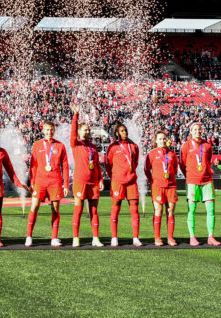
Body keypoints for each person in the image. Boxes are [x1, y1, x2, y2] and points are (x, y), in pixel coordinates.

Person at [25, 120, 69, 247]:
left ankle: (54, 238)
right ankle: (29, 236)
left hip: (55, 181)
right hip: (40, 181)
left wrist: (66, 184)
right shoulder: (37, 145)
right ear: (43, 130)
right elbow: (33, 166)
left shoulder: (60, 146)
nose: (49, 132)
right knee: (34, 207)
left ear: (54, 130)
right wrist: (32, 182)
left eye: (51, 129)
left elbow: (65, 166)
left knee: (55, 209)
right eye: (47, 130)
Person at [180, 122, 221, 247]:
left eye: (199, 129)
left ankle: (211, 236)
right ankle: (192, 236)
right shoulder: (186, 146)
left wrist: (207, 171)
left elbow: (208, 161)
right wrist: (189, 174)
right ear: (191, 132)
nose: (198, 131)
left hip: (207, 181)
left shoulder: (207, 145)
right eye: (195, 129)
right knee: (192, 209)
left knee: (211, 209)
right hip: (192, 181)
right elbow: (182, 163)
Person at [69, 104, 103, 247]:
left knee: (94, 211)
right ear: (78, 132)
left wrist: (100, 179)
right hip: (80, 181)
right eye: (84, 130)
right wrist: (76, 116)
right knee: (78, 209)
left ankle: (95, 238)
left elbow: (96, 165)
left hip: (93, 182)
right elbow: (72, 133)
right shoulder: (75, 143)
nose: (87, 132)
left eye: (88, 130)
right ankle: (76, 238)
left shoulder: (93, 147)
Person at [104, 122, 142, 247]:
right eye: (122, 131)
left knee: (134, 210)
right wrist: (114, 176)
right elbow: (108, 165)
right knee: (115, 209)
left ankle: (135, 238)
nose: (124, 132)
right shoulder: (112, 147)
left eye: (125, 130)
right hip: (118, 182)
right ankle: (114, 237)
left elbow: (135, 163)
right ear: (116, 133)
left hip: (131, 182)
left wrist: (129, 173)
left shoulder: (134, 146)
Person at [144, 130, 180, 246]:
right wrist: (152, 180)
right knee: (158, 210)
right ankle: (157, 238)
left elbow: (174, 169)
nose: (162, 140)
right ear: (155, 141)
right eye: (160, 139)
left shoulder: (172, 154)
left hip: (171, 186)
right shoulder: (152, 154)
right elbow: (146, 169)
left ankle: (170, 238)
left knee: (170, 211)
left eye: (164, 138)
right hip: (157, 186)